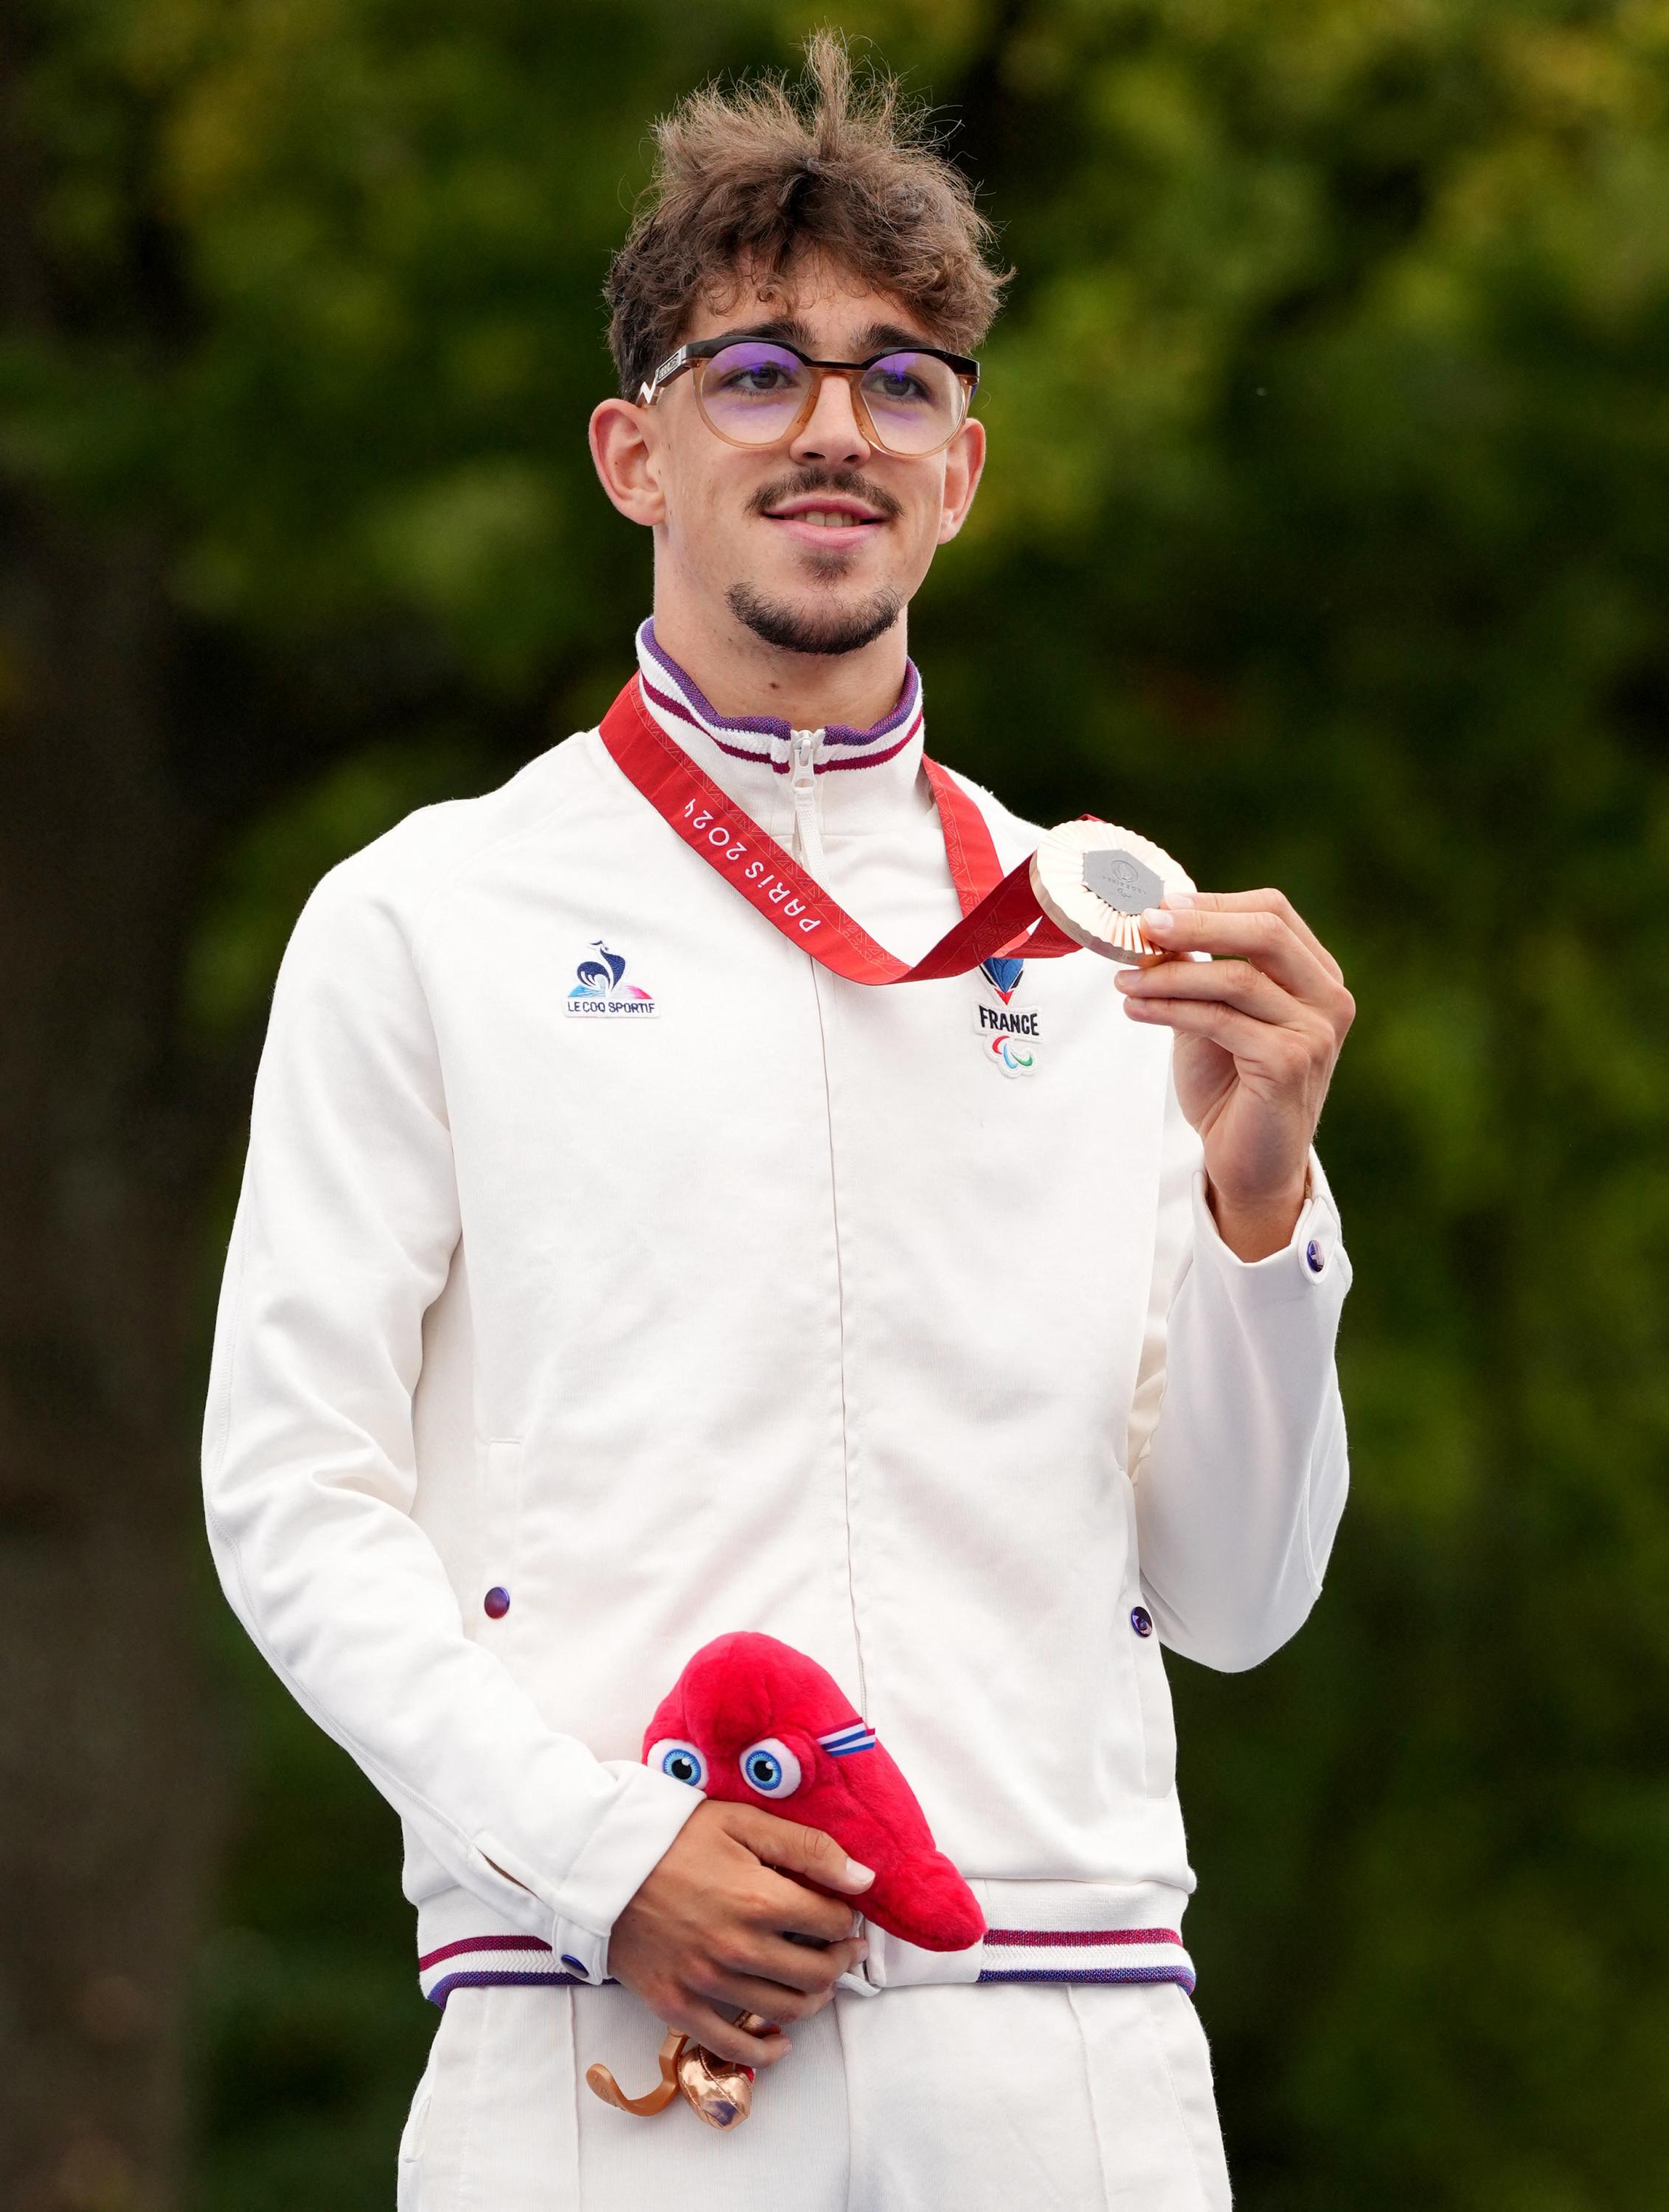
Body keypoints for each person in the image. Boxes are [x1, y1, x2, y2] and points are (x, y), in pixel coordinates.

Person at [201, 34, 1355, 2211]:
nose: (835, 425)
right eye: (760, 373)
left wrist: (1260, 1201)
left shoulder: (1115, 940)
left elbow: (1238, 1596)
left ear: (965, 472)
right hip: (602, 2036)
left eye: (900, 379)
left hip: (1071, 2054)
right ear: (636, 453)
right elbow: (292, 1493)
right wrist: (604, 1854)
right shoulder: (428, 917)